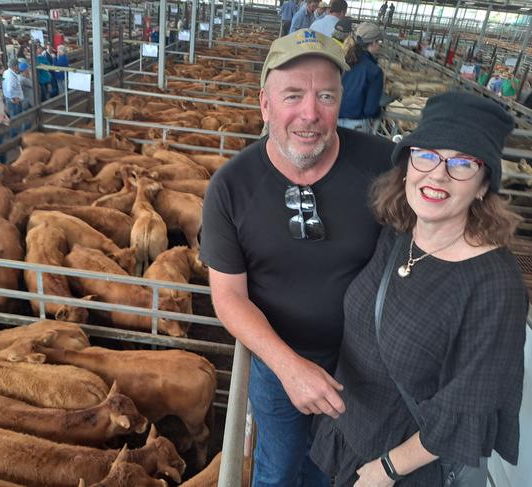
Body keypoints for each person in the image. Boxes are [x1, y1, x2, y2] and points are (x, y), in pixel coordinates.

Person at [200, 29, 394, 487]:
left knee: (338, 470)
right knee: (279, 468)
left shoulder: (386, 166)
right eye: (293, 95)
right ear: (265, 105)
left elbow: (443, 206)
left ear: (341, 101)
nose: (310, 113)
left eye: (325, 95)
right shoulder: (230, 187)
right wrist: (290, 368)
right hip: (277, 359)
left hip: (365, 365)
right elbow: (228, 297)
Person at [310, 91, 528, 487]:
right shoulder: (397, 234)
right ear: (407, 165)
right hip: (353, 434)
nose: (438, 174)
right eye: (426, 154)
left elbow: (468, 408)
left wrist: (387, 469)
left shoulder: (495, 286)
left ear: (483, 185)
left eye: (462, 163)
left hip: (404, 469)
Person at [338, 22, 384, 133]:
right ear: (373, 43)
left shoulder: (343, 59)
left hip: (334, 120)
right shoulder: (374, 71)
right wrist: (379, 110)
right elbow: (370, 110)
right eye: (379, 42)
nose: (379, 46)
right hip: (355, 125)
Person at [2, 58, 24, 137]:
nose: (19, 66)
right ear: (15, 66)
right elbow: (10, 89)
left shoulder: (6, 72)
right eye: (18, 65)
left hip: (9, 99)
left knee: (13, 118)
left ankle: (15, 135)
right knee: (16, 119)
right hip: (14, 101)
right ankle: (15, 136)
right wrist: (14, 98)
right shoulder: (11, 76)